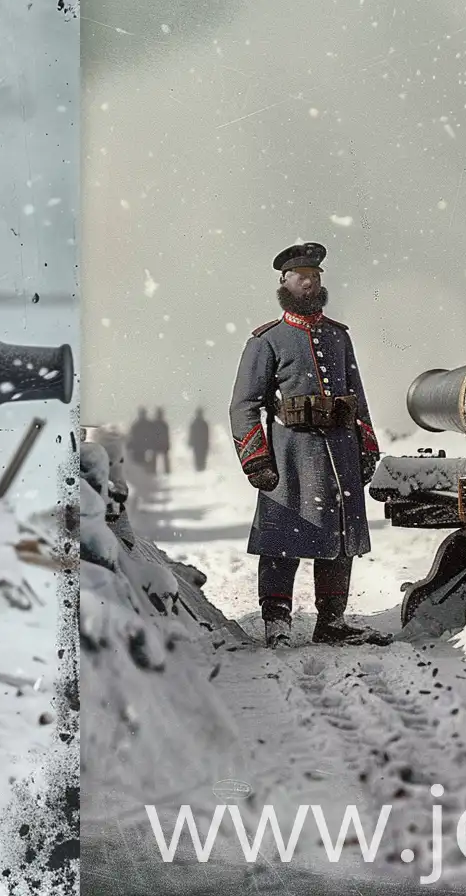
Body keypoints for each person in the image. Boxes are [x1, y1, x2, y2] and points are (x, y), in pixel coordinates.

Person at [229, 241, 384, 647]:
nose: (310, 284)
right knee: (283, 537)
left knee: (339, 537)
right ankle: (276, 621)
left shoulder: (338, 337)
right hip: (291, 455)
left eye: (315, 277)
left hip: (341, 453)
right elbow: (243, 405)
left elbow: (358, 395)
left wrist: (367, 446)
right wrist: (256, 460)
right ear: (284, 282)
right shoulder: (267, 341)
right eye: (301, 278)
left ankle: (331, 622)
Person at [188, 405, 210, 474]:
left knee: (199, 457)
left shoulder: (197, 423)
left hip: (199, 444)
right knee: (199, 457)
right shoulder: (203, 423)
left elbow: (206, 434)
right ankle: (200, 469)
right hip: (200, 444)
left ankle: (200, 469)